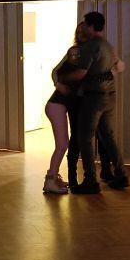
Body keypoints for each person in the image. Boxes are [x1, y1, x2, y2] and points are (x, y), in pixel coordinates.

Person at [60, 11, 129, 194]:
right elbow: (119, 66)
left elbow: (81, 73)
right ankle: (121, 174)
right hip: (110, 95)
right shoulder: (108, 45)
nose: (84, 28)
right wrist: (107, 74)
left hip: (94, 97)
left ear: (91, 26)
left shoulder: (91, 46)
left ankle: (91, 181)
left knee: (84, 137)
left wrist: (62, 78)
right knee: (108, 135)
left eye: (85, 24)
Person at [42, 26, 84, 195]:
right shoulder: (76, 53)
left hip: (58, 106)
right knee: (62, 145)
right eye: (79, 32)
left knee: (62, 144)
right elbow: (55, 72)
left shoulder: (83, 55)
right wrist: (58, 85)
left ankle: (53, 177)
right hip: (56, 106)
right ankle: (50, 181)